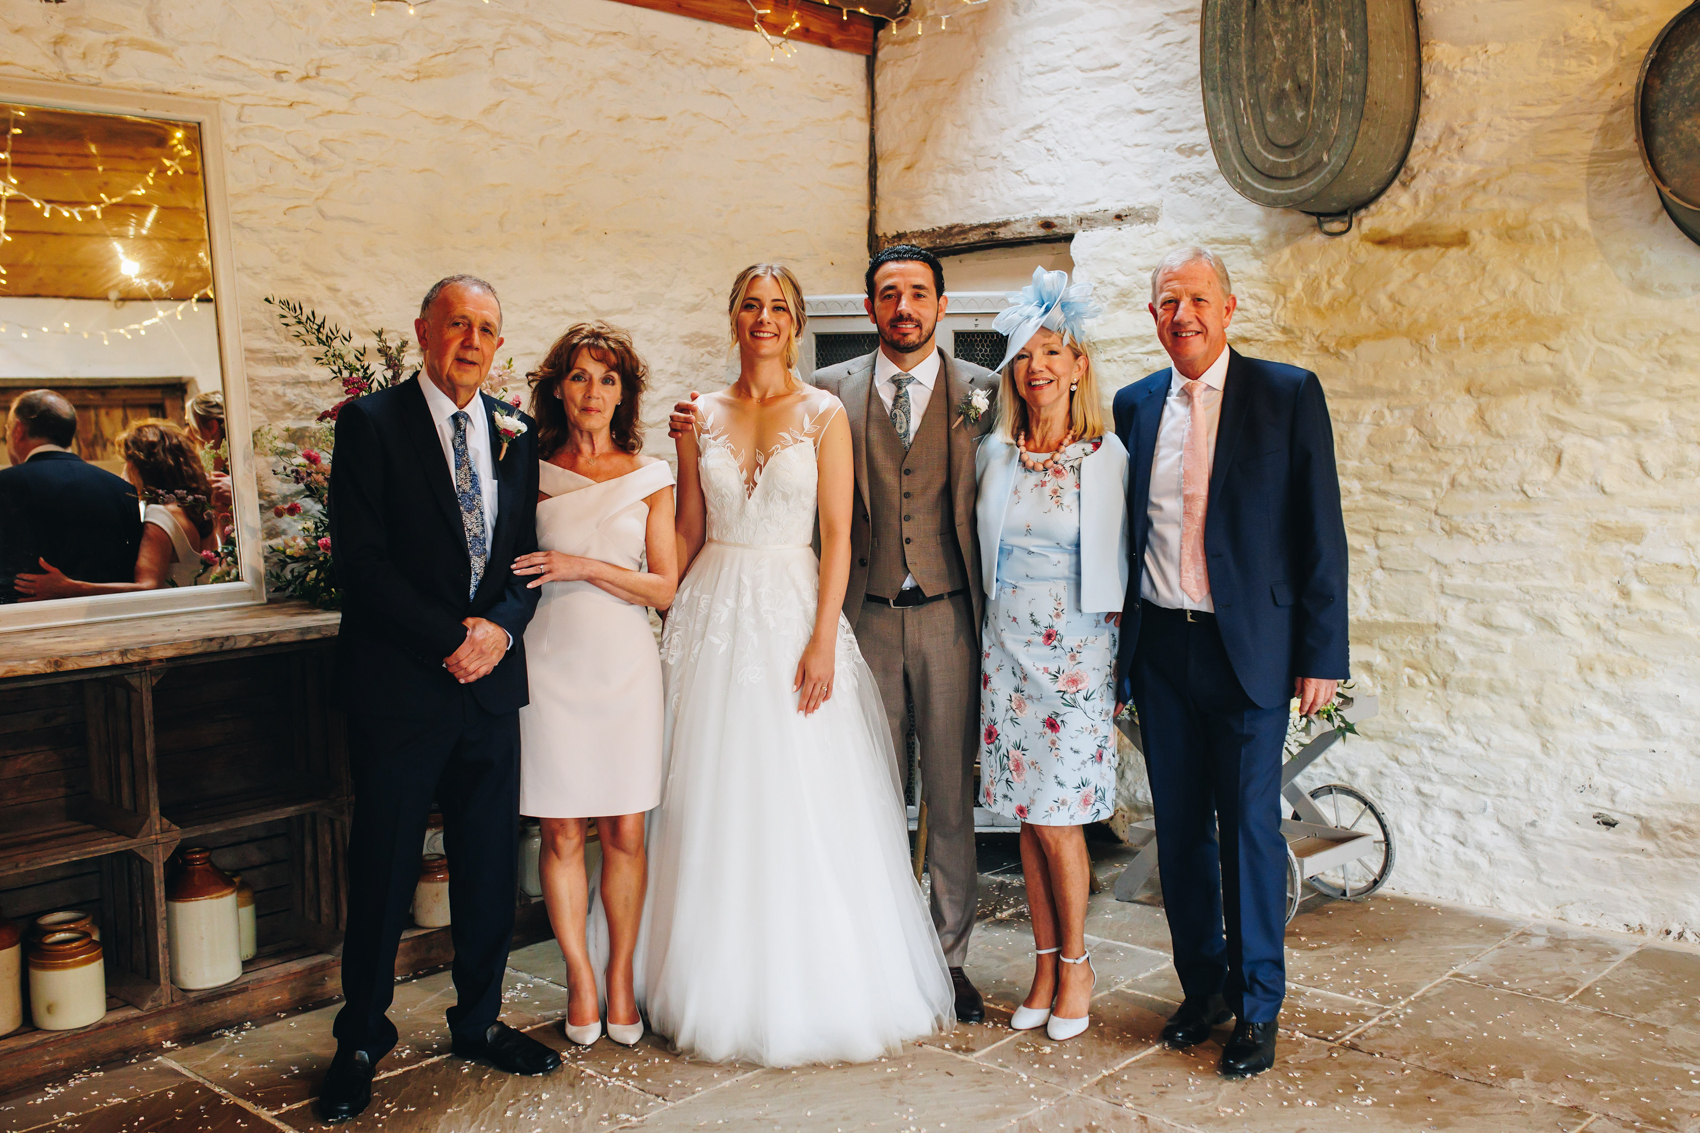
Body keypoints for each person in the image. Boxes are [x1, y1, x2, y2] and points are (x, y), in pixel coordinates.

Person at [667, 243, 997, 1024]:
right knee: (867, 792)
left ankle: (947, 957)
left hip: (949, 612)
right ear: (869, 305)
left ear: (941, 304)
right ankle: (879, 944)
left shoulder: (984, 390)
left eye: (918, 293)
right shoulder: (832, 390)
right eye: (889, 293)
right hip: (861, 612)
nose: (904, 307)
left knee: (950, 797)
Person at [319, 275, 557, 1124]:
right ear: (423, 331)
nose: (471, 340)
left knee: (489, 865)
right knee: (384, 867)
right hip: (402, 687)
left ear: (499, 346)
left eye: (486, 328)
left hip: (490, 687)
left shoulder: (516, 430)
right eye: (457, 323)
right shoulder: (371, 424)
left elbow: (526, 557)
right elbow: (362, 561)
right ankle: (360, 1037)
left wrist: (500, 630)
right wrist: (450, 637)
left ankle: (479, 1019)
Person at [1113, 247, 1349, 1080]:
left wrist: (1321, 652)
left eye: (1198, 299)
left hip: (1248, 649)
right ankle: (1204, 988)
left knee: (1247, 829)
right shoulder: (1134, 405)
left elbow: (1320, 529)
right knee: (1178, 830)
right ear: (1153, 315)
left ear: (1228, 307)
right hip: (1161, 647)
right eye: (1168, 302)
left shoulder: (1286, 394)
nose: (1183, 315)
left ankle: (1257, 1006)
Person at [510, 322, 677, 1050]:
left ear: (624, 393)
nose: (593, 391)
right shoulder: (526, 472)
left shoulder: (652, 475)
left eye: (608, 378)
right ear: (558, 387)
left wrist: (581, 566)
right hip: (549, 663)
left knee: (625, 831)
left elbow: (665, 588)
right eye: (580, 375)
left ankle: (621, 977)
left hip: (625, 669)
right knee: (559, 830)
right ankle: (580, 977)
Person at [974, 269, 1127, 1042]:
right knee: (1027, 820)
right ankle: (1042, 964)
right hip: (1006, 658)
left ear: (1077, 366)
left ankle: (1077, 964)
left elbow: (1129, 565)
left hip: (1076, 662)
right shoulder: (994, 455)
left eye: (1052, 352)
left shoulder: (1105, 456)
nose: (1037, 366)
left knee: (1060, 819)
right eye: (1025, 354)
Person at [13, 418, 213, 600]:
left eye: (127, 462)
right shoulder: (192, 511)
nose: (125, 469)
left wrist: (69, 588)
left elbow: (148, 587)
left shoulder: (160, 516)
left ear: (143, 466)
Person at [0, 389, 140, 601]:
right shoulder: (121, 489)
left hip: (21, 613)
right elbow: (132, 571)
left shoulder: (5, 484)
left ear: (18, 430)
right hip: (107, 614)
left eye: (8, 429)